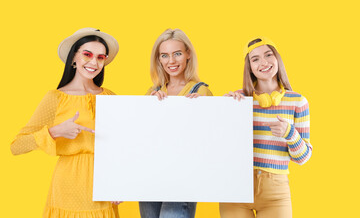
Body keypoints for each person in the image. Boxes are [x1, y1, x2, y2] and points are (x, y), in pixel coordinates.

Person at [11, 28, 121, 218]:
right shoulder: (56, 98)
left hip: (104, 183)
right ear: (73, 58)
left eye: (101, 57)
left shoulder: (110, 96)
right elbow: (17, 146)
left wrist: (120, 182)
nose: (94, 62)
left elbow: (122, 144)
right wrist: (55, 131)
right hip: (68, 184)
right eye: (87, 54)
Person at [220, 37, 312, 218]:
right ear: (250, 68)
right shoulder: (238, 99)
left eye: (268, 55)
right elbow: (217, 142)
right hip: (235, 187)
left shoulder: (298, 101)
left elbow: (303, 158)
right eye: (255, 59)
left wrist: (289, 133)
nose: (263, 62)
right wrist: (223, 110)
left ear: (277, 58)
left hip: (275, 193)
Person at [139, 28, 213, 218]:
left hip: (182, 178)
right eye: (164, 55)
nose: (171, 61)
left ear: (188, 54)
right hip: (151, 176)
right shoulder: (152, 91)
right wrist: (149, 106)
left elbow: (209, 140)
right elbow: (141, 136)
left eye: (177, 54)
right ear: (159, 59)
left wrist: (200, 111)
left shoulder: (201, 92)